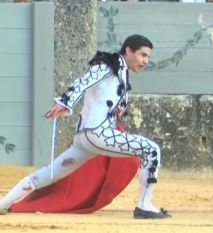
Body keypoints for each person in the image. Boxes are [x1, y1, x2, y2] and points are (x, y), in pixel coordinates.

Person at [0, 34, 170, 219]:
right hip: (97, 134)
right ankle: (144, 205)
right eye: (143, 55)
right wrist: (65, 102)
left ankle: (3, 203)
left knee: (49, 174)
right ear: (128, 50)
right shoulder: (108, 65)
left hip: (85, 139)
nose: (145, 61)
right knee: (151, 150)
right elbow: (83, 82)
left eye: (147, 57)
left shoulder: (119, 70)